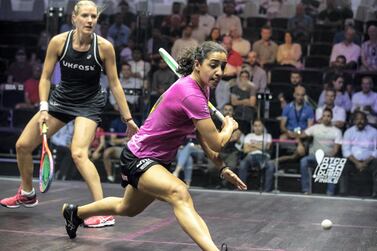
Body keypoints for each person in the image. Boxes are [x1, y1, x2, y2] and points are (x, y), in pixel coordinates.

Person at [62, 41, 247, 250]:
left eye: (222, 66)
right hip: (139, 157)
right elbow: (218, 142)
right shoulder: (191, 93)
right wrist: (229, 127)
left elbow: (203, 136)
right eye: (213, 65)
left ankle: (74, 213)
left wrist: (222, 167)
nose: (219, 72)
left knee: (127, 208)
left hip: (157, 160)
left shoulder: (202, 88)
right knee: (180, 193)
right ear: (197, 64)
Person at [0, 0, 138, 229]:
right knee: (23, 145)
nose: (90, 20)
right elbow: (45, 77)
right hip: (61, 100)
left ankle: (104, 211)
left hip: (90, 103)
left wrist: (129, 119)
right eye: (85, 16)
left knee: (79, 154)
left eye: (94, 16)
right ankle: (27, 193)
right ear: (74, 18)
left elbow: (115, 84)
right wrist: (43, 107)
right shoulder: (58, 42)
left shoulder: (103, 47)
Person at [299, 108, 342, 195]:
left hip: (328, 158)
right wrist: (300, 144)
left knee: (334, 163)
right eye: (324, 116)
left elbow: (336, 149)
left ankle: (330, 192)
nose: (326, 118)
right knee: (304, 161)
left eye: (328, 116)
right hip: (314, 157)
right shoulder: (315, 128)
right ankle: (306, 190)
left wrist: (328, 158)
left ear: (332, 117)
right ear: (321, 117)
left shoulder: (337, 131)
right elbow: (301, 135)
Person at [340, 111, 377, 198]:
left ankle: (376, 193)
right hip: (353, 161)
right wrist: (357, 163)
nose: (360, 121)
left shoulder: (374, 132)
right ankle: (343, 191)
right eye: (357, 119)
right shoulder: (348, 132)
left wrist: (365, 163)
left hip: (370, 161)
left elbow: (376, 150)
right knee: (343, 163)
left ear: (366, 120)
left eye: (362, 119)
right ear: (353, 121)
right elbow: (345, 150)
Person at [238, 119, 275, 192]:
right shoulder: (249, 136)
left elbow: (266, 148)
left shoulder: (268, 136)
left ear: (263, 127)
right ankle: (241, 188)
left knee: (271, 165)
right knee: (242, 163)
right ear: (252, 127)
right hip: (251, 157)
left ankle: (267, 190)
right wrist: (260, 145)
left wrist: (252, 146)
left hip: (264, 157)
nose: (257, 128)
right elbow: (245, 149)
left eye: (259, 126)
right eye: (255, 126)